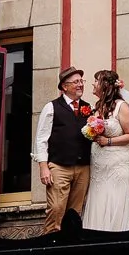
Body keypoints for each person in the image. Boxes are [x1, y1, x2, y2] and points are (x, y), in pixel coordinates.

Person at [33, 67, 93, 234]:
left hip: (82, 167)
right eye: (76, 82)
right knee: (56, 208)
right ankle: (50, 241)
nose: (80, 85)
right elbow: (41, 139)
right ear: (65, 87)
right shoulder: (51, 107)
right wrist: (43, 167)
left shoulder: (88, 108)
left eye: (81, 81)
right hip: (59, 166)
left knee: (75, 212)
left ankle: (70, 244)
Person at [80, 69, 129, 232]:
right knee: (98, 202)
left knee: (113, 203)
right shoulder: (97, 107)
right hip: (99, 166)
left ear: (105, 85)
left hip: (116, 165)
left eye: (96, 81)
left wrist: (108, 141)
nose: (93, 84)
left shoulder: (121, 106)